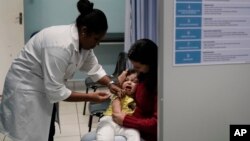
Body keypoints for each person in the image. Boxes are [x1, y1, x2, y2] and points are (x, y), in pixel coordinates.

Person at [0, 0, 122, 141]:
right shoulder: (60, 46)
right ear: (84, 32)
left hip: (43, 90)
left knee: (48, 130)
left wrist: (110, 84)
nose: (98, 44)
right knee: (29, 135)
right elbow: (56, 91)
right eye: (96, 39)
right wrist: (91, 97)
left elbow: (94, 68)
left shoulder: (84, 44)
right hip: (26, 90)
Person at [81, 38, 158, 141]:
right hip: (129, 123)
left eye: (138, 67)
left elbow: (156, 124)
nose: (136, 71)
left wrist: (126, 120)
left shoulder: (159, 86)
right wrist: (118, 84)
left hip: (142, 130)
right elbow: (117, 106)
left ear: (150, 63)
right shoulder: (143, 77)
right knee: (86, 138)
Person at [96, 69, 140, 141]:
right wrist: (122, 76)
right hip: (110, 121)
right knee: (105, 134)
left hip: (127, 124)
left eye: (134, 81)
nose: (129, 82)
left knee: (134, 134)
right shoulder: (118, 94)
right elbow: (116, 113)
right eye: (126, 80)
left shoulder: (138, 99)